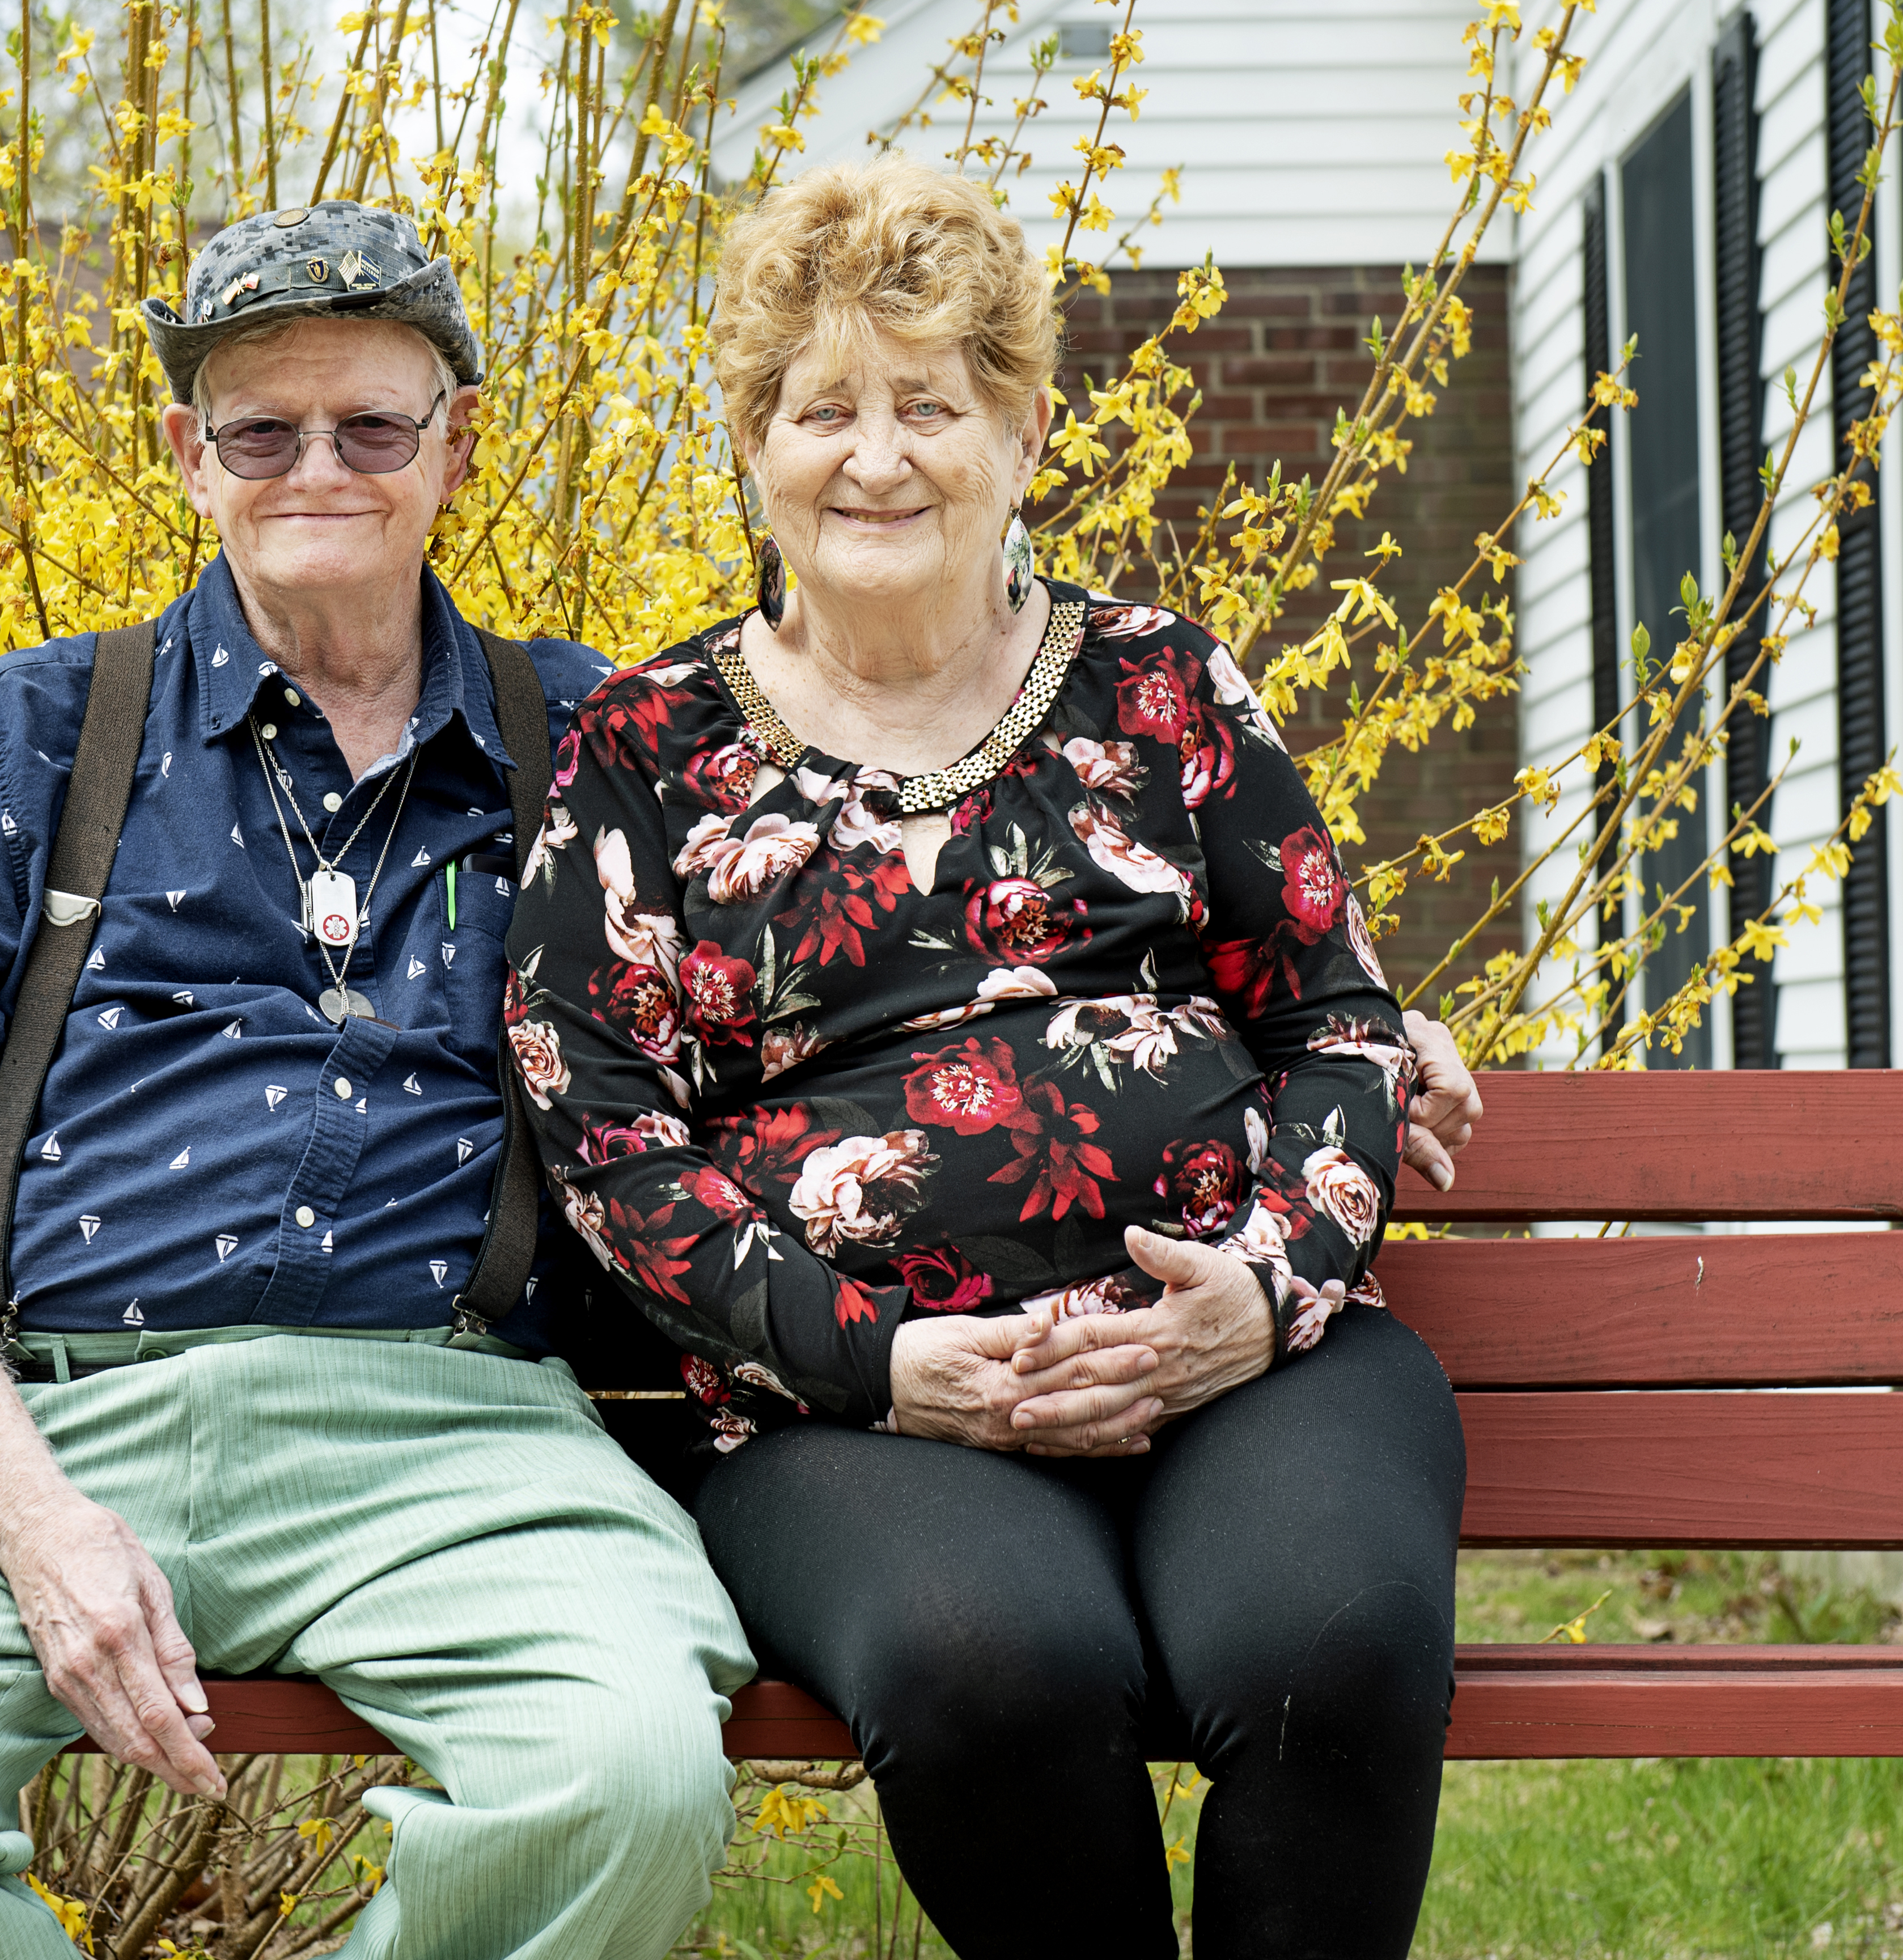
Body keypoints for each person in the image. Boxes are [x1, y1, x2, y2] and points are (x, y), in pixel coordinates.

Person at [0, 202, 757, 1960]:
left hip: (452, 1438)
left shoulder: (593, 740)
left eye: (372, 426)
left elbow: (840, 990)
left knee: (623, 1775)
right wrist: (32, 1526)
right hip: (45, 1423)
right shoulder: (27, 732)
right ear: (190, 457)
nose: (318, 465)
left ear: (454, 448)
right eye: (262, 429)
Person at [504, 155, 1472, 1957]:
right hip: (854, 1410)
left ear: (1022, 432)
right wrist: (886, 1358)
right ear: (754, 444)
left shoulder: (1161, 684)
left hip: (1242, 1359)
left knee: (1326, 1646)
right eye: (824, 409)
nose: (876, 455)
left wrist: (1256, 1293)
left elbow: (1335, 1019)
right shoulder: (642, 751)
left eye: (929, 403)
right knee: (990, 1669)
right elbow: (611, 1141)